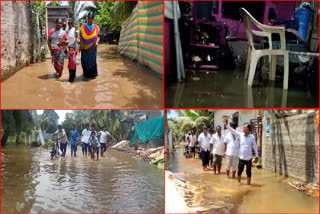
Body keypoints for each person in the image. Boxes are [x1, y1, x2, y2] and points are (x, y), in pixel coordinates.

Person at [225, 121, 259, 185]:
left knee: (248, 172)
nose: (243, 129)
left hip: (249, 158)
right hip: (241, 158)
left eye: (245, 128)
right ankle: (239, 184)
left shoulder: (252, 137)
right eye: (243, 128)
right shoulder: (240, 135)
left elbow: (255, 146)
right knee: (239, 172)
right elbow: (233, 130)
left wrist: (257, 156)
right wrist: (227, 125)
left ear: (248, 129)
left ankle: (248, 185)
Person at [79, 12, 100, 79]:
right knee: (84, 62)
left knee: (92, 62)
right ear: (87, 18)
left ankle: (93, 75)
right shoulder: (83, 26)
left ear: (93, 19)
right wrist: (79, 44)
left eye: (91, 18)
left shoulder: (96, 27)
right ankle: (86, 75)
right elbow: (80, 37)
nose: (89, 19)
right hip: (84, 49)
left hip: (92, 48)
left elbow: (98, 37)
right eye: (88, 18)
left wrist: (97, 42)